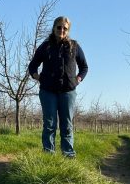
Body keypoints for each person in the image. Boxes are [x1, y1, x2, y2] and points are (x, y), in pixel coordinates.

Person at [28, 16, 88, 158]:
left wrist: (78, 79)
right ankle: (49, 155)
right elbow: (32, 66)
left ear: (68, 30)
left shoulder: (74, 46)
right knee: (49, 124)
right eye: (59, 27)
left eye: (65, 28)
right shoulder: (45, 46)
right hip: (48, 91)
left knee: (66, 125)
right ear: (54, 28)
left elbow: (84, 67)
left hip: (68, 91)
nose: (61, 30)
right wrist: (39, 77)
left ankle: (68, 156)